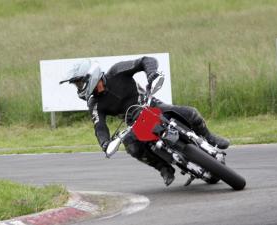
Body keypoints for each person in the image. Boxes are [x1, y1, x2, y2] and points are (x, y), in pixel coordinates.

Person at [60, 57, 229, 187]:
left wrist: (151, 74)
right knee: (131, 146)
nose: (79, 87)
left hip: (151, 105)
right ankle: (163, 168)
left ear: (91, 76)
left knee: (189, 112)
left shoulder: (116, 71)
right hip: (134, 122)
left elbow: (145, 61)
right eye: (77, 85)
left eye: (80, 83)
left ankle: (209, 137)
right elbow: (99, 126)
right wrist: (105, 143)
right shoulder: (94, 103)